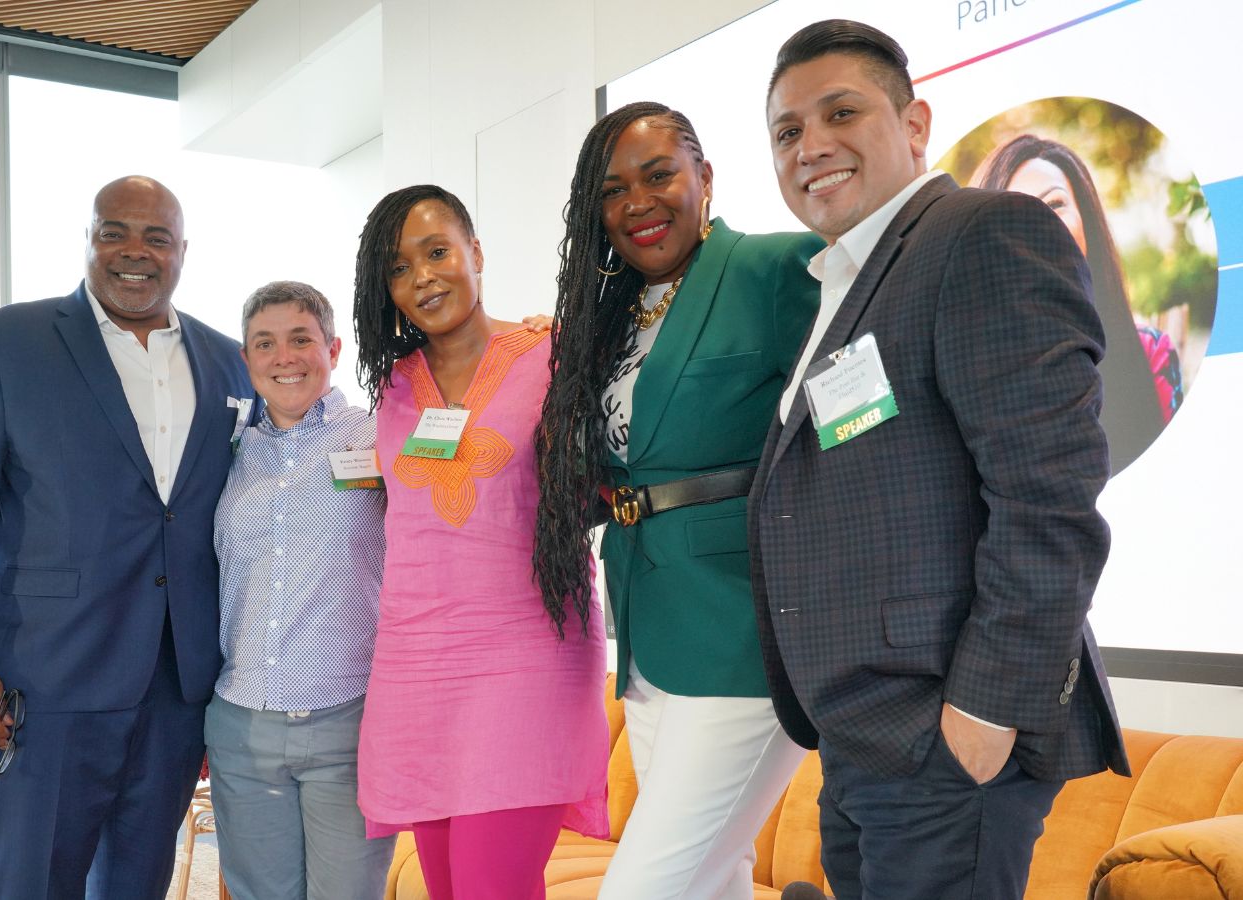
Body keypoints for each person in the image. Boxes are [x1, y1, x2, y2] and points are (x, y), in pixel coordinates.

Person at [750, 21, 1129, 899]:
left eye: (840, 112)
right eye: (787, 131)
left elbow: (1052, 500)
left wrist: (983, 716)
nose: (813, 145)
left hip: (948, 744)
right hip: (867, 742)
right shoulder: (842, 285)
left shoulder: (984, 235)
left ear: (915, 125)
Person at [0, 175, 255, 899]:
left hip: (179, 680)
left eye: (156, 236)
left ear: (183, 251)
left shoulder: (230, 360)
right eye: (114, 231)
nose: (135, 251)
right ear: (89, 241)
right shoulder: (5, 343)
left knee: (137, 877)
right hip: (50, 672)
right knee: (35, 878)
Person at [533, 101, 821, 899]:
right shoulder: (611, 317)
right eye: (613, 190)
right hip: (649, 635)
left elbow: (852, 434)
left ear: (705, 177)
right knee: (715, 878)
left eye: (659, 174)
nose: (637, 202)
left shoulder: (777, 269)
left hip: (743, 632)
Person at [352, 184, 609, 900]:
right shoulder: (393, 386)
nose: (423, 276)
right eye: (400, 268)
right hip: (415, 672)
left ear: (476, 253)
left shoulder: (555, 354)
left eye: (438, 252)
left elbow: (599, 480)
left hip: (525, 658)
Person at [206, 280, 395, 900]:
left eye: (300, 339)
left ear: (333, 348)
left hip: (348, 720)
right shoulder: (222, 451)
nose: (284, 357)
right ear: (247, 358)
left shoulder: (380, 438)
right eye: (265, 343)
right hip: (242, 725)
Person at [974, 133, 1172, 468]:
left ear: (1087, 221)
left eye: (1055, 204)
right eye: (1014, 211)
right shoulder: (968, 373)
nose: (1041, 225)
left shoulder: (1152, 354)